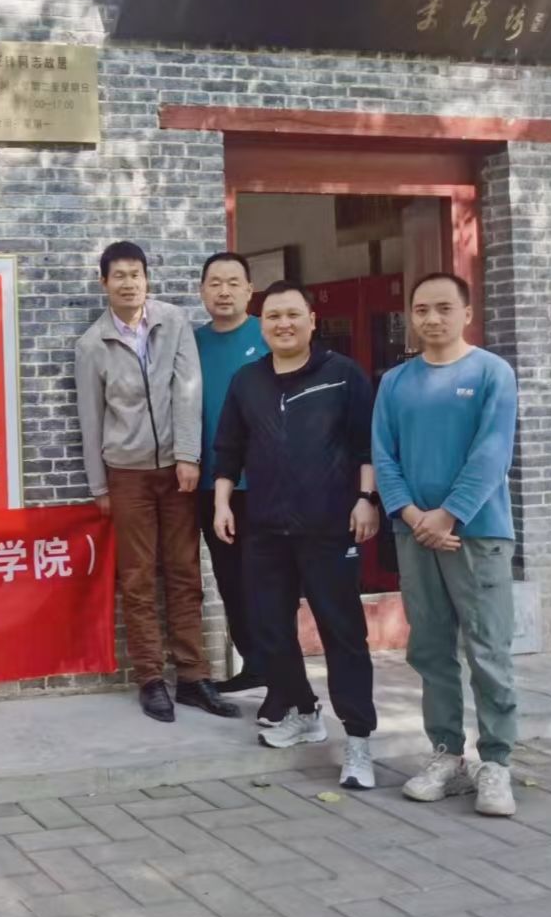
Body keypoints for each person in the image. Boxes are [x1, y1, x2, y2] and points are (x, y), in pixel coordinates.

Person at [212, 282, 380, 790]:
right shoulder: (248, 380)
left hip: (329, 525)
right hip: (265, 527)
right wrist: (221, 502)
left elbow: (367, 443)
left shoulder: (342, 374)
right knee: (269, 629)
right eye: (272, 317)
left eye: (291, 315)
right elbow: (228, 449)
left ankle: (358, 739)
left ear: (311, 320)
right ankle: (304, 711)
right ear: (261, 326)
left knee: (341, 632)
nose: (282, 324)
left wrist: (366, 498)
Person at [373, 273, 520, 817]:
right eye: (420, 310)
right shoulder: (395, 382)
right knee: (430, 648)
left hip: (478, 533)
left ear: (466, 313)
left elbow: (492, 452)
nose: (431, 319)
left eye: (443, 308)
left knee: (487, 649)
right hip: (415, 533)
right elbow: (383, 455)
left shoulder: (491, 373)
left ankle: (496, 762)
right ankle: (447, 755)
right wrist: (415, 516)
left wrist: (449, 514)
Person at [75, 241, 237, 724]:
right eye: (119, 276)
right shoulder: (93, 344)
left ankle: (193, 676)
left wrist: (188, 456)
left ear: (147, 278)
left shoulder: (172, 322)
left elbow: (188, 392)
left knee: (185, 573)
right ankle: (150, 677)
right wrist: (99, 487)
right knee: (138, 577)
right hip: (127, 476)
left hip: (176, 470)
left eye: (136, 274)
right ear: (104, 283)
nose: (129, 283)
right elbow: (90, 418)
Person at [193, 252, 271, 704]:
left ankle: (281, 673)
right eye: (215, 283)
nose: (223, 292)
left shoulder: (267, 334)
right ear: (202, 291)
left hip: (260, 484)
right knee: (230, 580)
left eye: (233, 283)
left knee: (266, 581)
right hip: (209, 483)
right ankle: (254, 663)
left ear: (249, 290)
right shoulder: (192, 343)